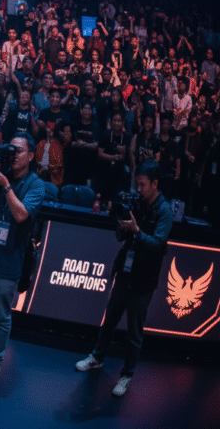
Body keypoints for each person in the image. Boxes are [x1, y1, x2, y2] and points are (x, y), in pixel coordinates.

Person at [75, 160, 172, 397]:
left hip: (144, 280)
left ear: (155, 184)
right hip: (125, 272)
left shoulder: (164, 211)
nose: (138, 189)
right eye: (137, 184)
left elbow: (156, 245)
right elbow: (121, 237)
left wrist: (137, 230)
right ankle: (97, 357)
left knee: (134, 332)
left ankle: (127, 375)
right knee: (109, 320)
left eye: (142, 185)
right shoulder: (137, 203)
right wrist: (121, 224)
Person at [0, 132, 44, 384]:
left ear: (31, 156)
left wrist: (5, 186)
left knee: (1, 317)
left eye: (19, 151)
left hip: (9, 261)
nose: (13, 155)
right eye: (10, 150)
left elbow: (22, 215)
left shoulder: (35, 184)